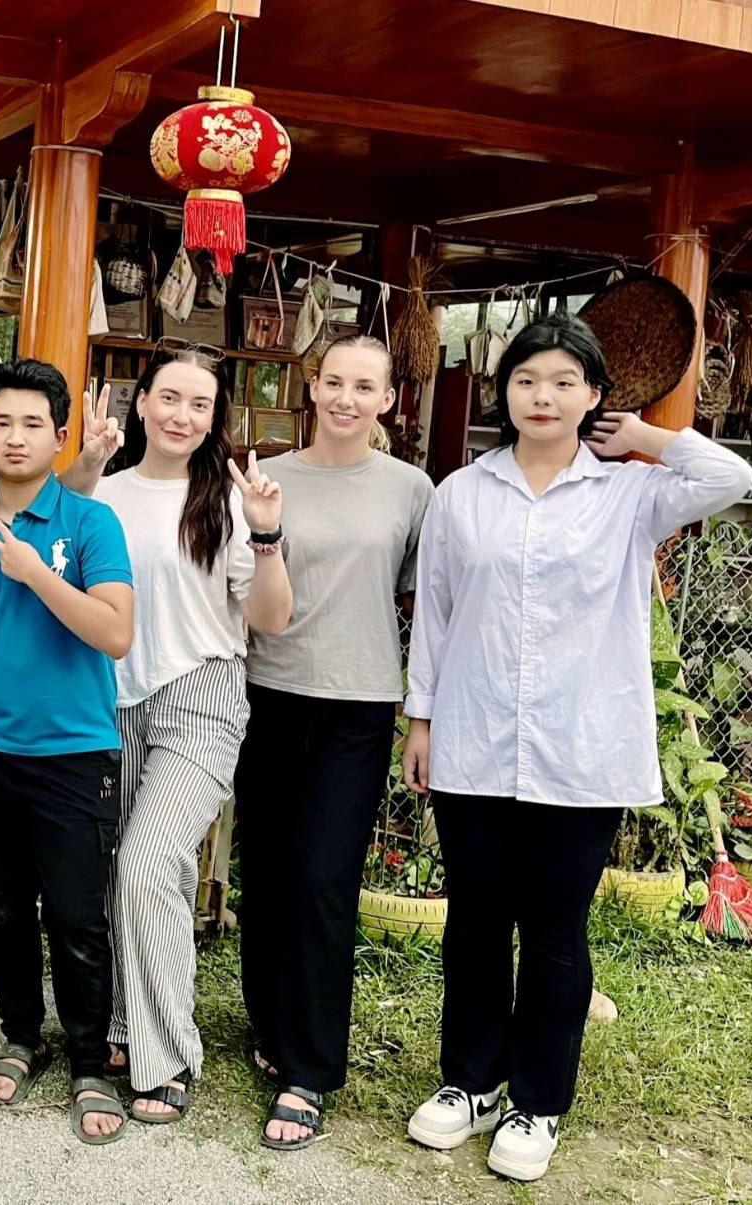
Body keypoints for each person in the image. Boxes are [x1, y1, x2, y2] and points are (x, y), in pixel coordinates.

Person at [402, 313, 752, 1182]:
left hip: (579, 747)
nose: (544, 396)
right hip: (476, 738)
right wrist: (421, 720)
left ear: (594, 394)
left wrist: (645, 436)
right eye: (527, 380)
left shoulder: (631, 494)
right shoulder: (461, 493)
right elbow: (436, 616)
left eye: (564, 381)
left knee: (555, 930)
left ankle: (538, 1100)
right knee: (475, 922)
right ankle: (469, 1082)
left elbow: (732, 473)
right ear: (505, 392)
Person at [66, 342, 292, 1123]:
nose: (183, 416)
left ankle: (168, 1054)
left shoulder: (227, 498)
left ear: (214, 418)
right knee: (115, 868)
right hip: (112, 697)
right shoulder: (109, 493)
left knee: (149, 858)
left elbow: (269, 619)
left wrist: (267, 534)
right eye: (169, 398)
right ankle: (126, 1023)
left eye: (201, 404)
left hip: (201, 694)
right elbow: (53, 543)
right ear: (141, 403)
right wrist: (88, 463)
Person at [233, 333, 434, 1151]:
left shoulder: (411, 490)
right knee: (270, 873)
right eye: (333, 382)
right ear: (310, 387)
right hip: (267, 693)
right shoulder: (272, 477)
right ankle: (272, 1026)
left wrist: (423, 712)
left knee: (323, 880)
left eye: (365, 385)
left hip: (357, 703)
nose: (347, 398)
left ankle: (310, 1070)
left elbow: (431, 606)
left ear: (387, 399)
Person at [0, 359, 135, 1145]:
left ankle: (89, 1059)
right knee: (4, 909)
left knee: (79, 917)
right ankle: (23, 1033)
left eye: (33, 424)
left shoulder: (89, 524)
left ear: (60, 436)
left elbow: (115, 631)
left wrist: (33, 571)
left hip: (75, 752)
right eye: (1, 423)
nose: (16, 437)